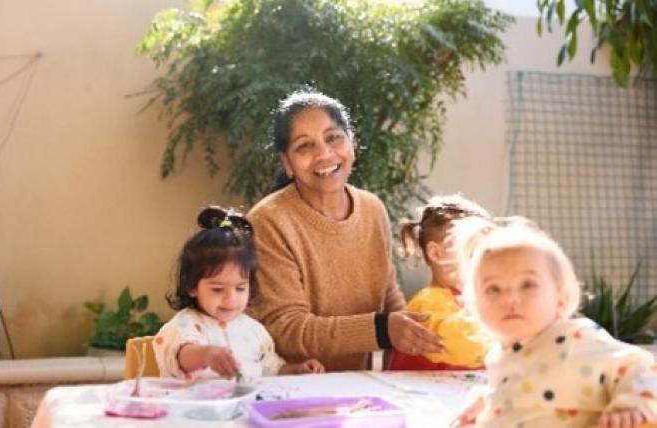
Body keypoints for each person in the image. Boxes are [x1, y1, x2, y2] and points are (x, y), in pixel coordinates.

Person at [246, 89, 442, 372]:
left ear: (352, 143)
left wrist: (421, 329)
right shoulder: (268, 221)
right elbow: (286, 329)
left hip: (356, 387)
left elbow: (388, 296)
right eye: (304, 146)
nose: (324, 154)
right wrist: (383, 329)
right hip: (288, 386)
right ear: (287, 163)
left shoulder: (372, 208)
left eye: (333, 137)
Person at [452, 217, 657, 428]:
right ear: (474, 305)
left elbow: (638, 363)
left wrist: (633, 404)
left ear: (560, 297)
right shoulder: (499, 356)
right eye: (493, 289)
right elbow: (529, 389)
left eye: (527, 284)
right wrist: (488, 401)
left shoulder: (575, 337)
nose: (509, 298)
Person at [153, 206, 324, 381]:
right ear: (192, 286)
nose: (231, 299)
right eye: (218, 289)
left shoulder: (253, 330)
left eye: (240, 288)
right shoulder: (185, 324)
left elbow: (270, 368)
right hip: (195, 407)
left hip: (245, 407)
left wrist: (296, 370)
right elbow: (180, 356)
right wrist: (206, 355)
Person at [389, 194, 493, 371]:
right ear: (436, 254)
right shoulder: (428, 303)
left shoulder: (468, 299)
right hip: (414, 394)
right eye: (473, 252)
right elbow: (463, 344)